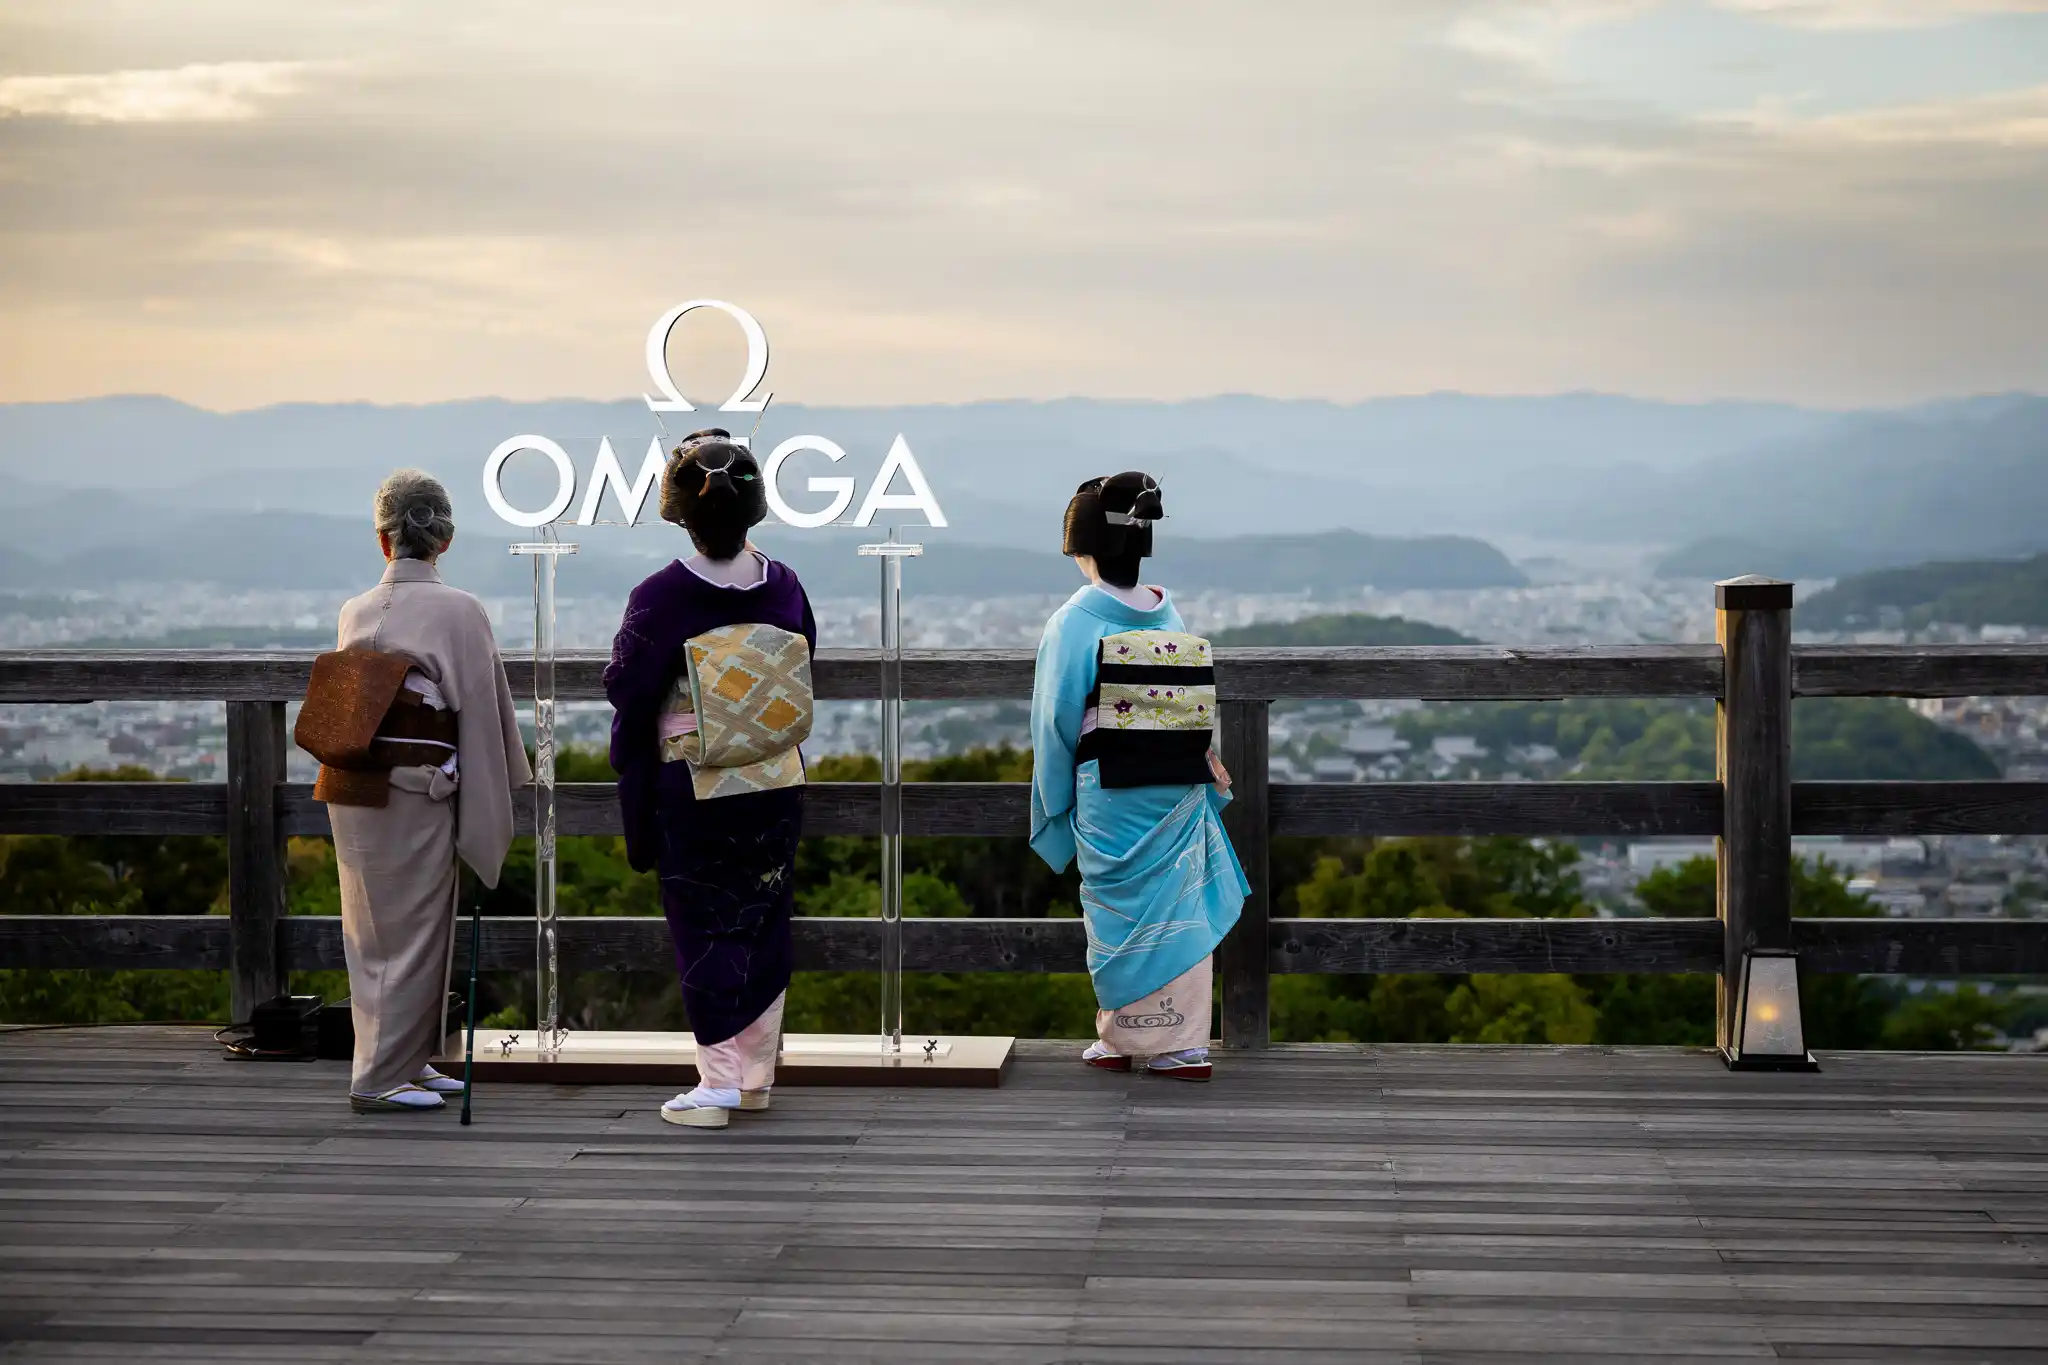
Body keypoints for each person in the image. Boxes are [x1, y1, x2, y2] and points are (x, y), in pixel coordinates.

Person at [605, 429, 818, 1129]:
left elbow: (630, 691)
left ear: (679, 512)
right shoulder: (785, 585)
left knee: (705, 922)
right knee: (763, 917)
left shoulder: (661, 596)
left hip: (697, 784)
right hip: (776, 781)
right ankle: (754, 1074)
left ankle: (718, 1080)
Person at [322, 470, 531, 1113]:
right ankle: (379, 1076)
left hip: (355, 787)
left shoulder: (354, 610)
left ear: (384, 541)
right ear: (444, 539)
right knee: (408, 931)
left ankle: (410, 1058)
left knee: (379, 930)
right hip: (418, 789)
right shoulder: (459, 610)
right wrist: (488, 795)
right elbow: (480, 711)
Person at [1029, 472, 1249, 1081]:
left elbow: (1056, 719)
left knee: (1116, 910)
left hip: (1112, 788)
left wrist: (1054, 799)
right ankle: (1183, 1043)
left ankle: (1127, 1037)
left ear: (1083, 545)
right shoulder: (1167, 612)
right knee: (1180, 900)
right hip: (1177, 784)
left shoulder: (1073, 623)